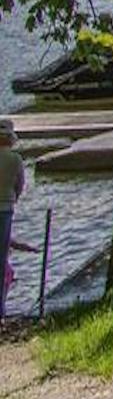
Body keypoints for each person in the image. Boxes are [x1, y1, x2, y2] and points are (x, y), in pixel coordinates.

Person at [0, 120, 23, 314]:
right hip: (6, 207)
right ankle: (1, 307)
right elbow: (20, 185)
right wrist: (14, 196)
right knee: (2, 253)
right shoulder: (15, 159)